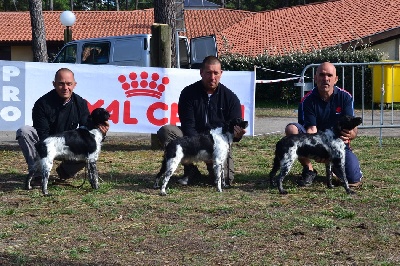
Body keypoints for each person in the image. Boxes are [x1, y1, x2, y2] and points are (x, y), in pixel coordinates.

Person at [157, 56, 247, 187]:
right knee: (166, 132)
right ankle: (190, 170)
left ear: (221, 74)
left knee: (226, 180)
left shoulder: (231, 98)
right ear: (201, 72)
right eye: (208, 73)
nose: (212, 77)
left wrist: (238, 135)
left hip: (217, 144)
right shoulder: (188, 93)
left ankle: (211, 173)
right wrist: (201, 149)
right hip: (193, 141)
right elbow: (188, 125)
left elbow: (233, 131)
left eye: (216, 73)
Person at [16, 68, 109, 185]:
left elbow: (88, 128)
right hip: (48, 145)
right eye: (61, 84)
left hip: (70, 148)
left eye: (69, 84)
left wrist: (101, 130)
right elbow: (42, 133)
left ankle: (64, 172)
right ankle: (38, 174)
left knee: (90, 147)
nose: (65, 88)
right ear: (54, 84)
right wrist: (51, 150)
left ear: (75, 85)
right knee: (24, 131)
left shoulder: (80, 103)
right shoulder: (42, 104)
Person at [285, 62, 363, 187]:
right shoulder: (308, 100)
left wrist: (350, 134)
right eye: (321, 75)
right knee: (292, 130)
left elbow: (353, 131)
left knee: (354, 181)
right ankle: (309, 169)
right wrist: (318, 151)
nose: (325, 79)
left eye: (329, 75)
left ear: (336, 79)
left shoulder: (345, 97)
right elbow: (311, 129)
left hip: (338, 145)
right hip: (316, 141)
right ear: (315, 78)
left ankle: (334, 170)